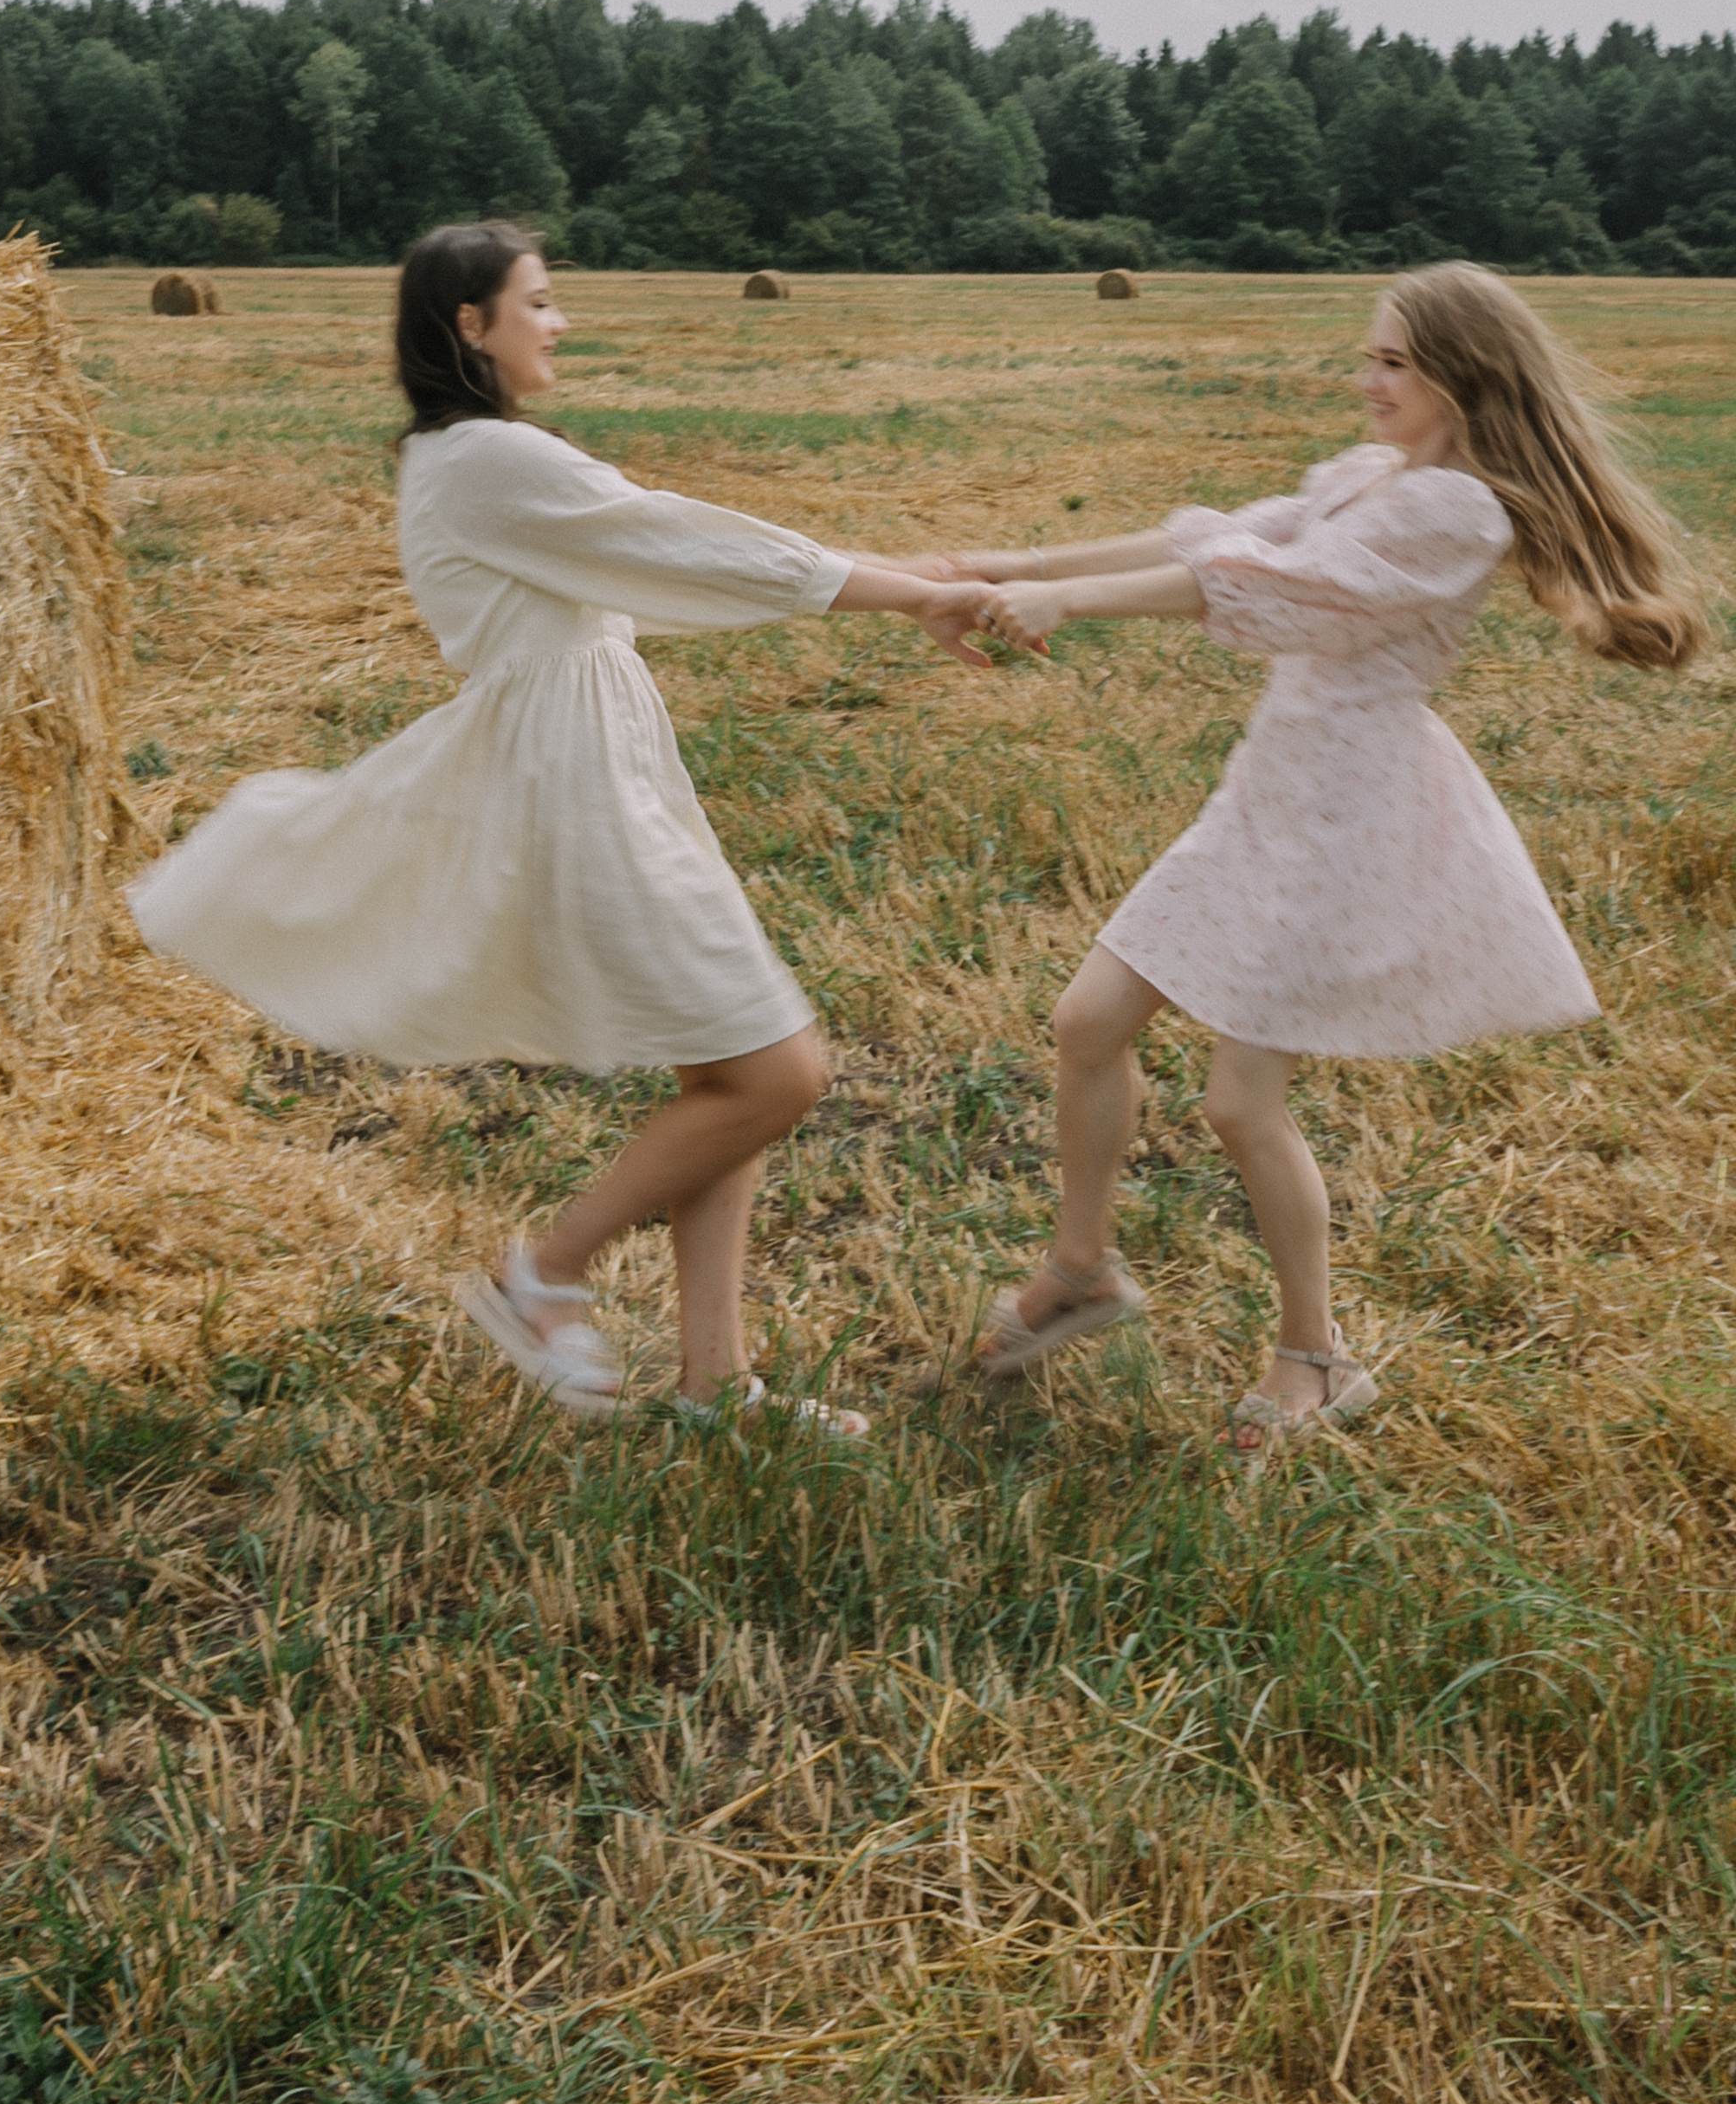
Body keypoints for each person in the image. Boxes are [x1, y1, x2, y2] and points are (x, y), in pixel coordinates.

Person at [132, 221, 998, 1431]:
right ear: (469, 327)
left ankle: (714, 1385)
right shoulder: (484, 459)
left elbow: (663, 559)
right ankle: (542, 1277)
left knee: (730, 1056)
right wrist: (916, 593)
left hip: (603, 764)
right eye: (537, 301)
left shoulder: (475, 458)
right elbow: (690, 542)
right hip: (576, 785)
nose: (560, 320)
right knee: (776, 1073)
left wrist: (902, 580)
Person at [938, 263, 1711, 1454]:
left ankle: (1317, 1359)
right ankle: (1081, 1272)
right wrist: (1012, 563)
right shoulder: (1371, 476)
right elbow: (1221, 536)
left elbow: (1268, 587)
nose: (1367, 379)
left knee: (1242, 1105)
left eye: (1393, 361)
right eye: (1371, 355)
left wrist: (1071, 607)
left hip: (1353, 818)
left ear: (1466, 372)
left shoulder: (1456, 511)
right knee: (1090, 1023)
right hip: (1269, 794)